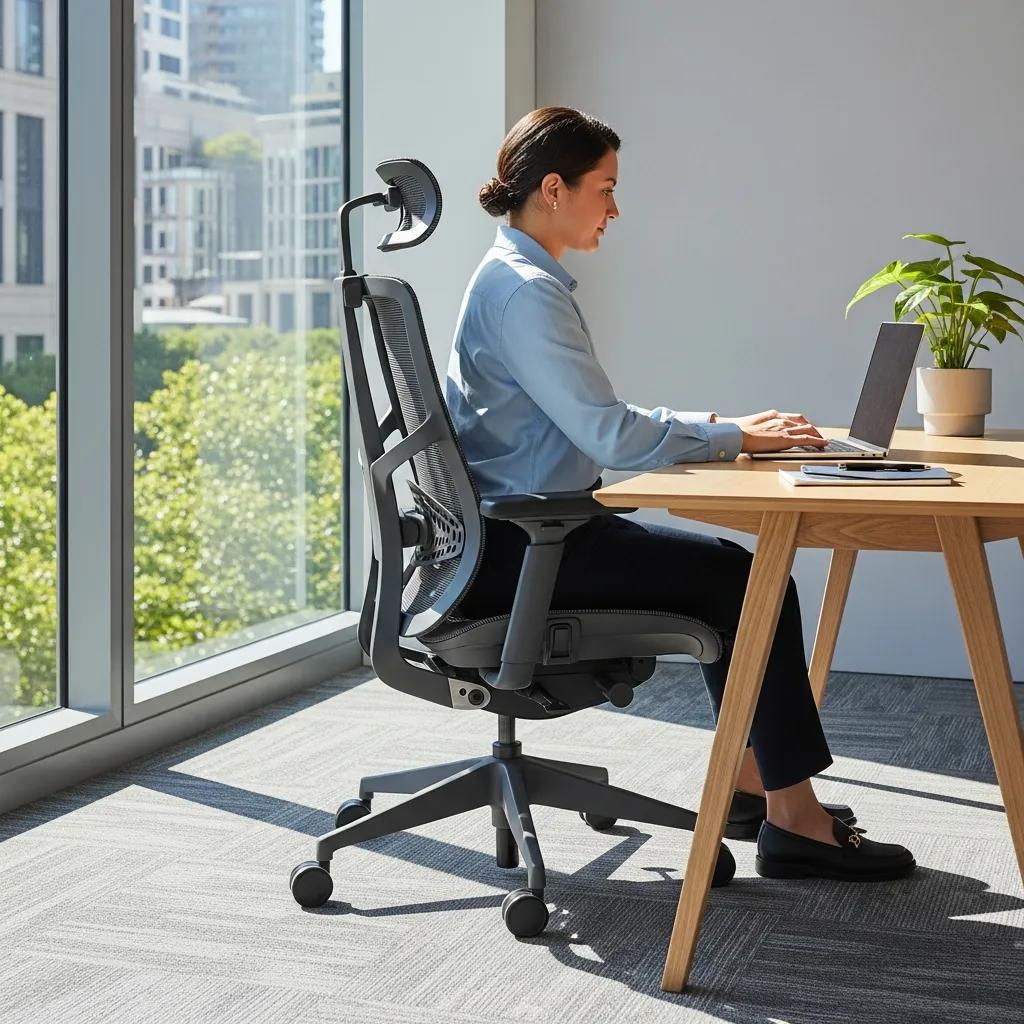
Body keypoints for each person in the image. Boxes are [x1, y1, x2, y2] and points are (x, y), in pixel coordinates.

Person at [444, 106, 914, 881]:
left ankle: (754, 788)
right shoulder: (526, 293)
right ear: (554, 190)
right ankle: (793, 820)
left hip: (517, 538)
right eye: (606, 188)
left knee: (739, 577)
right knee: (751, 583)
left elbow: (598, 421)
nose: (615, 208)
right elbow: (611, 436)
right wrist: (733, 436)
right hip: (528, 552)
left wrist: (725, 429)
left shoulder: (511, 280)